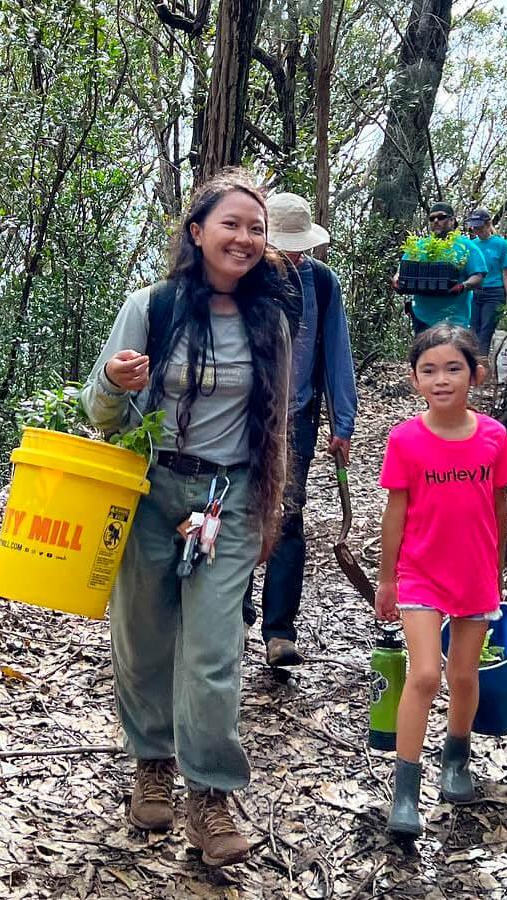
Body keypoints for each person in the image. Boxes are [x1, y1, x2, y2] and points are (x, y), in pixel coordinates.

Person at [80, 168, 292, 867]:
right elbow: (98, 410)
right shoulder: (152, 307)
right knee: (142, 637)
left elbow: (275, 428)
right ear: (197, 232)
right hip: (150, 489)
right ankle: (152, 762)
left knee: (213, 649)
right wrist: (114, 382)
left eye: (256, 229)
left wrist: (269, 513)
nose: (245, 238)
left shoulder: (271, 320)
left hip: (228, 499)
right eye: (231, 224)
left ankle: (210, 794)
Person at [373, 323, 507, 840]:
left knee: (462, 675)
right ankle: (405, 791)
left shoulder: (493, 436)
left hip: (475, 574)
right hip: (420, 573)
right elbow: (395, 512)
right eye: (429, 370)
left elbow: (500, 507)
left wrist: (496, 569)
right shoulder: (405, 440)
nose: (442, 380)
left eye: (453, 368)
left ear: (475, 374)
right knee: (424, 676)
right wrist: (386, 579)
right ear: (414, 380)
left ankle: (456, 760)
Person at [241, 193, 358, 667]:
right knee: (236, 511)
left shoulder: (322, 283)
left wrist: (343, 422)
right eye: (282, 247)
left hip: (297, 418)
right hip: (240, 416)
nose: (291, 257)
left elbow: (337, 352)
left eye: (298, 249)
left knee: (287, 517)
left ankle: (279, 632)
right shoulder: (243, 277)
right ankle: (235, 616)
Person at [395, 201, 487, 335]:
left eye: (441, 217)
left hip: (454, 319)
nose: (436, 221)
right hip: (422, 317)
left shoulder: (467, 246)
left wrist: (463, 286)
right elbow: (402, 269)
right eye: (432, 218)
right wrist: (397, 279)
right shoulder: (419, 246)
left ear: (452, 220)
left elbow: (478, 276)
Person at [463, 209, 507, 357]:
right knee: (472, 329)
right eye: (474, 227)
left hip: (494, 293)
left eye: (479, 226)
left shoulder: (500, 244)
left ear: (488, 224)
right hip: (474, 292)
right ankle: (471, 362)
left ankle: (481, 363)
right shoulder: (471, 245)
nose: (476, 230)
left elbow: (506, 274)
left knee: (486, 331)